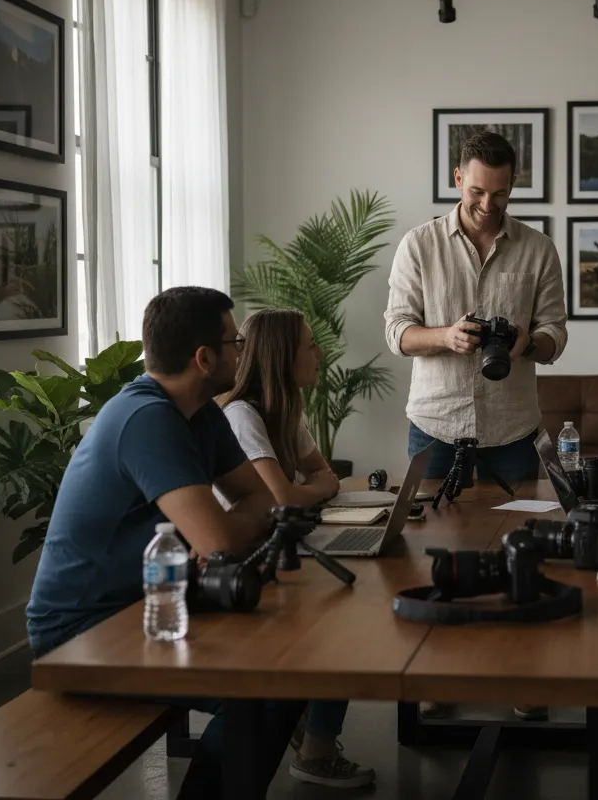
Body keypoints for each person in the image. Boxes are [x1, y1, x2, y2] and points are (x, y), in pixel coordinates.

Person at [25, 286, 302, 800]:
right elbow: (221, 540)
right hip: (82, 633)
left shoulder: (198, 411)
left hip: (149, 605)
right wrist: (223, 533)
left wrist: (225, 533)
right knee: (263, 688)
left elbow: (263, 500)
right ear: (204, 358)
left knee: (287, 669)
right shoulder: (147, 418)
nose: (242, 351)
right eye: (234, 340)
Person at [383, 130, 568, 721]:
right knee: (434, 558)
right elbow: (396, 333)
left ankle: (526, 675)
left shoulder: (538, 249)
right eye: (479, 191)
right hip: (435, 427)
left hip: (514, 429)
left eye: (503, 194)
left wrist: (524, 343)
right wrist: (446, 336)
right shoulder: (419, 245)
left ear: (514, 186)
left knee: (528, 556)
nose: (489, 205)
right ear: (458, 176)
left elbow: (556, 336)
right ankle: (439, 675)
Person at [214, 307, 375, 789]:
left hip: (282, 542)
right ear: (284, 356)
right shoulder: (243, 415)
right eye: (310, 344)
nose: (320, 352)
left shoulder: (286, 409)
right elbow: (288, 495)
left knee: (352, 599)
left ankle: (309, 728)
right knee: (343, 620)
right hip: (250, 559)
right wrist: (311, 487)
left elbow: (327, 476)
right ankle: (316, 750)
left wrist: (310, 486)